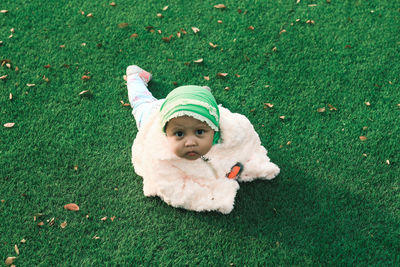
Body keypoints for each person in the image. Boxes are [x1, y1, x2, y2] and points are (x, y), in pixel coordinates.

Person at [127, 65, 280, 214]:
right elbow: (171, 187)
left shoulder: (229, 131)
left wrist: (255, 164)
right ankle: (135, 76)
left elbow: (246, 146)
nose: (190, 142)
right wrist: (213, 197)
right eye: (179, 134)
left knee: (203, 108)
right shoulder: (159, 152)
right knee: (140, 102)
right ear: (166, 134)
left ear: (215, 130)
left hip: (195, 109)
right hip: (154, 113)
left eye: (199, 132)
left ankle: (200, 94)